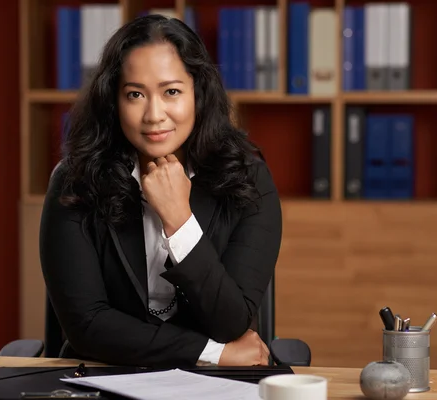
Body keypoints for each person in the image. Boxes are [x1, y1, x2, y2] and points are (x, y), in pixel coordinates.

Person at [39, 14, 282, 368]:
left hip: (214, 387)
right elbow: (86, 324)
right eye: (135, 94)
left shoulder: (249, 180)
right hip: (103, 374)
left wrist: (179, 219)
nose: (154, 115)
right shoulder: (75, 181)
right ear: (114, 101)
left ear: (197, 94)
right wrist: (211, 352)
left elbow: (230, 322)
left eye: (171, 92)